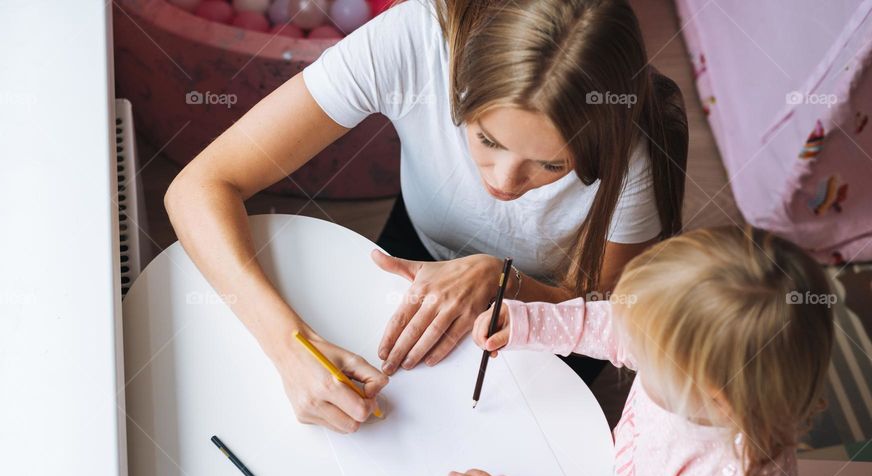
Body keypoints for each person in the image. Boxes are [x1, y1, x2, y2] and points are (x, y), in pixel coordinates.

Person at [164, 0, 687, 433]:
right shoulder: (415, 41)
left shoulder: (638, 138)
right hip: (418, 242)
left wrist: (503, 282)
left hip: (553, 308)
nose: (504, 183)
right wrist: (289, 346)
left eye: (552, 165)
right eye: (487, 139)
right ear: (461, 81)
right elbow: (200, 186)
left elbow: (606, 305)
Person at [450, 226, 834, 476]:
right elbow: (616, 325)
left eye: (646, 354)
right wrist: (532, 322)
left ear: (716, 397)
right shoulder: (693, 364)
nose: (631, 343)